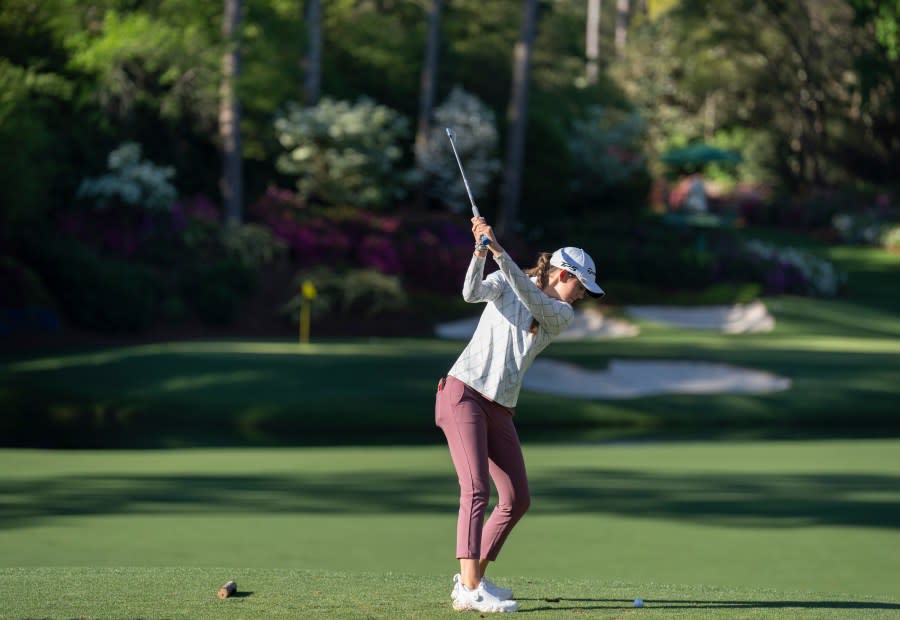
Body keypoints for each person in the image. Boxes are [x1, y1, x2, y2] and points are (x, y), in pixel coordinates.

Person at [435, 216, 605, 613]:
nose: (581, 296)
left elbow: (530, 296)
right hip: (463, 394)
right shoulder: (508, 282)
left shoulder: (559, 313)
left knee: (516, 498)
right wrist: (481, 251)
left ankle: (470, 576)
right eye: (580, 286)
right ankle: (471, 589)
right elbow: (470, 291)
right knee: (476, 488)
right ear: (563, 274)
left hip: (500, 407)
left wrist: (497, 249)